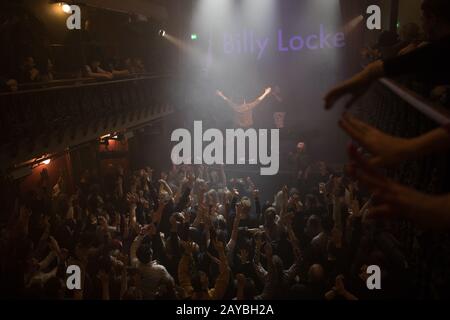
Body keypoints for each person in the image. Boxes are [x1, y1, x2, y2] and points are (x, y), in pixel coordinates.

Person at [324, 0, 450, 111]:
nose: (421, 25)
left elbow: (420, 57)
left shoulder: (431, 47)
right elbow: (424, 56)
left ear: (432, 19)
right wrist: (371, 73)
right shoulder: (431, 47)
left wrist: (370, 73)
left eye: (422, 19)